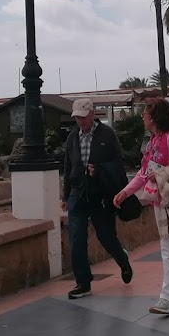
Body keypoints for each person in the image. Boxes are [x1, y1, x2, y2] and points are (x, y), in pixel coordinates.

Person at [114, 97, 169, 315]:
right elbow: (144, 174)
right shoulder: (153, 142)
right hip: (161, 200)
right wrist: (125, 192)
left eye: (145, 113)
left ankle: (167, 298)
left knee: (167, 248)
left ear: (154, 117)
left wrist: (161, 173)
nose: (142, 117)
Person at [60, 98, 134, 300]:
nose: (80, 121)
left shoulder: (107, 135)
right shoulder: (72, 137)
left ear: (92, 114)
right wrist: (66, 195)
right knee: (76, 239)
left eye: (83, 117)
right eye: (77, 117)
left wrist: (99, 171)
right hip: (78, 192)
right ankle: (83, 283)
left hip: (100, 193)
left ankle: (122, 260)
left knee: (106, 236)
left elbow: (120, 163)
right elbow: (68, 166)